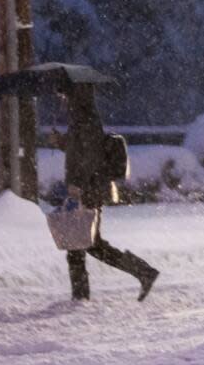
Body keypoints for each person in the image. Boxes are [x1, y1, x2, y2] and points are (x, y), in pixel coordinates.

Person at [56, 82, 159, 302]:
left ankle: (81, 297)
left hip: (88, 190)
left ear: (76, 95)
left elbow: (88, 158)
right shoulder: (82, 118)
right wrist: (62, 143)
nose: (63, 99)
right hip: (89, 188)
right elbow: (82, 151)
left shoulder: (85, 120)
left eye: (65, 94)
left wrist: (77, 186)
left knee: (82, 245)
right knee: (88, 244)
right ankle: (141, 272)